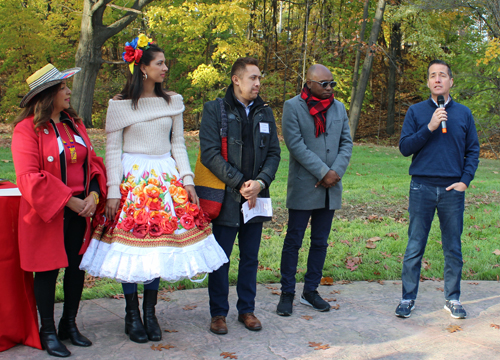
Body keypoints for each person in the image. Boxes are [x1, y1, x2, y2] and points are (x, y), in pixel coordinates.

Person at [79, 35, 228, 343]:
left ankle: (150, 312)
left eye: (165, 63)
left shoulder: (172, 101)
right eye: (160, 63)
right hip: (133, 179)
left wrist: (187, 180)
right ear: (143, 68)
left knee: (160, 243)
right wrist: (113, 190)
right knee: (133, 246)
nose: (165, 68)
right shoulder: (119, 105)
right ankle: (132, 315)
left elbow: (177, 143)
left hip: (165, 177)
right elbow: (112, 149)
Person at [11, 64, 107, 357]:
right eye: (64, 87)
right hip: (47, 214)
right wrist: (70, 200)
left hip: (81, 211)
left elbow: (91, 162)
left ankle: (69, 324)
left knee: (76, 269)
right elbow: (28, 177)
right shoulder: (26, 130)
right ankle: (48, 331)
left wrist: (92, 194)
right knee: (48, 272)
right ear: (49, 93)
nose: (68, 92)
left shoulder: (73, 124)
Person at [199, 57, 281, 334]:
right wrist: (239, 184)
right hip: (225, 198)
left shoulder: (265, 112)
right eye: (252, 78)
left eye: (259, 78)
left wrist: (259, 183)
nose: (258, 83)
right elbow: (209, 154)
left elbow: (274, 154)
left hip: (256, 199)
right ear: (236, 79)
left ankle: (247, 310)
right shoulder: (214, 110)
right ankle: (218, 313)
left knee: (250, 257)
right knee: (220, 258)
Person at [395, 60, 480, 319]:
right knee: (414, 246)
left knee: (452, 247)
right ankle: (407, 298)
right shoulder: (416, 111)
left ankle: (452, 298)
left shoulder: (464, 113)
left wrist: (465, 180)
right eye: (433, 75)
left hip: (452, 189)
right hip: (421, 186)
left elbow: (473, 151)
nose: (437, 79)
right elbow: (405, 147)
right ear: (428, 82)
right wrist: (430, 126)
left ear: (451, 81)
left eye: (442, 75)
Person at [276, 64, 353, 316]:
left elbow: (346, 143)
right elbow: (295, 144)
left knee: (320, 242)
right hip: (304, 185)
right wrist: (323, 172)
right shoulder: (293, 106)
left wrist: (335, 173)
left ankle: (311, 291)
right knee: (293, 241)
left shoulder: (339, 108)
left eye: (332, 83)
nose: (329, 88)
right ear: (308, 83)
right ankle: (287, 293)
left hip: (331, 188)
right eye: (324, 84)